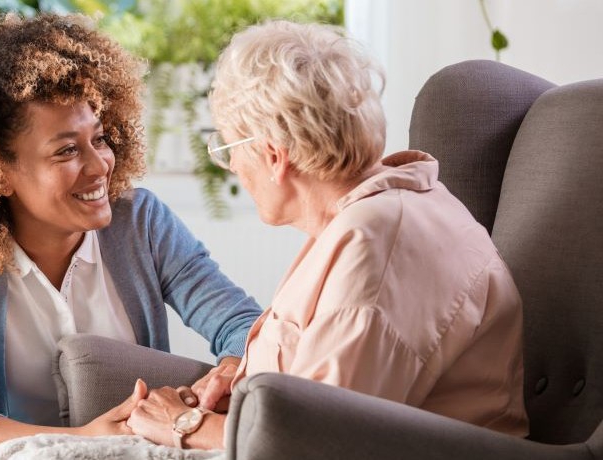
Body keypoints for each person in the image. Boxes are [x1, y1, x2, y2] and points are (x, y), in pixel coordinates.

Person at [126, 19, 528, 449]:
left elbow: (319, 440)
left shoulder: (377, 244)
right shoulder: (374, 213)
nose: (234, 168)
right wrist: (243, 381)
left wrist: (185, 425)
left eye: (227, 150)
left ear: (274, 155)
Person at [0, 13, 263, 460]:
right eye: (67, 150)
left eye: (100, 138)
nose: (100, 165)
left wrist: (228, 371)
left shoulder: (141, 223)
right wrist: (80, 441)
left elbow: (245, 327)